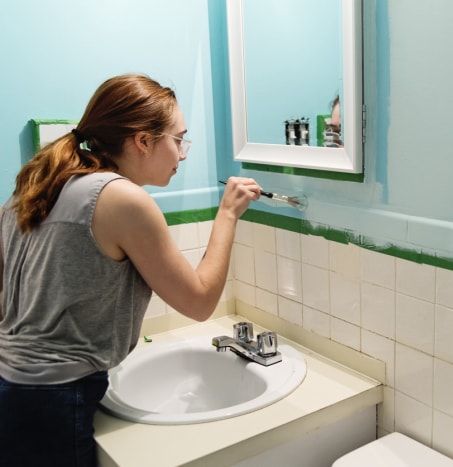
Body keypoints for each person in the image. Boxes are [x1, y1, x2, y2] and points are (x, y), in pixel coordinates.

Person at [0, 74, 261, 466]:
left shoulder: (40, 183)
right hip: (50, 398)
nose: (183, 154)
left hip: (12, 385)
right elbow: (201, 301)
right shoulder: (120, 197)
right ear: (142, 141)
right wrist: (227, 213)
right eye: (178, 139)